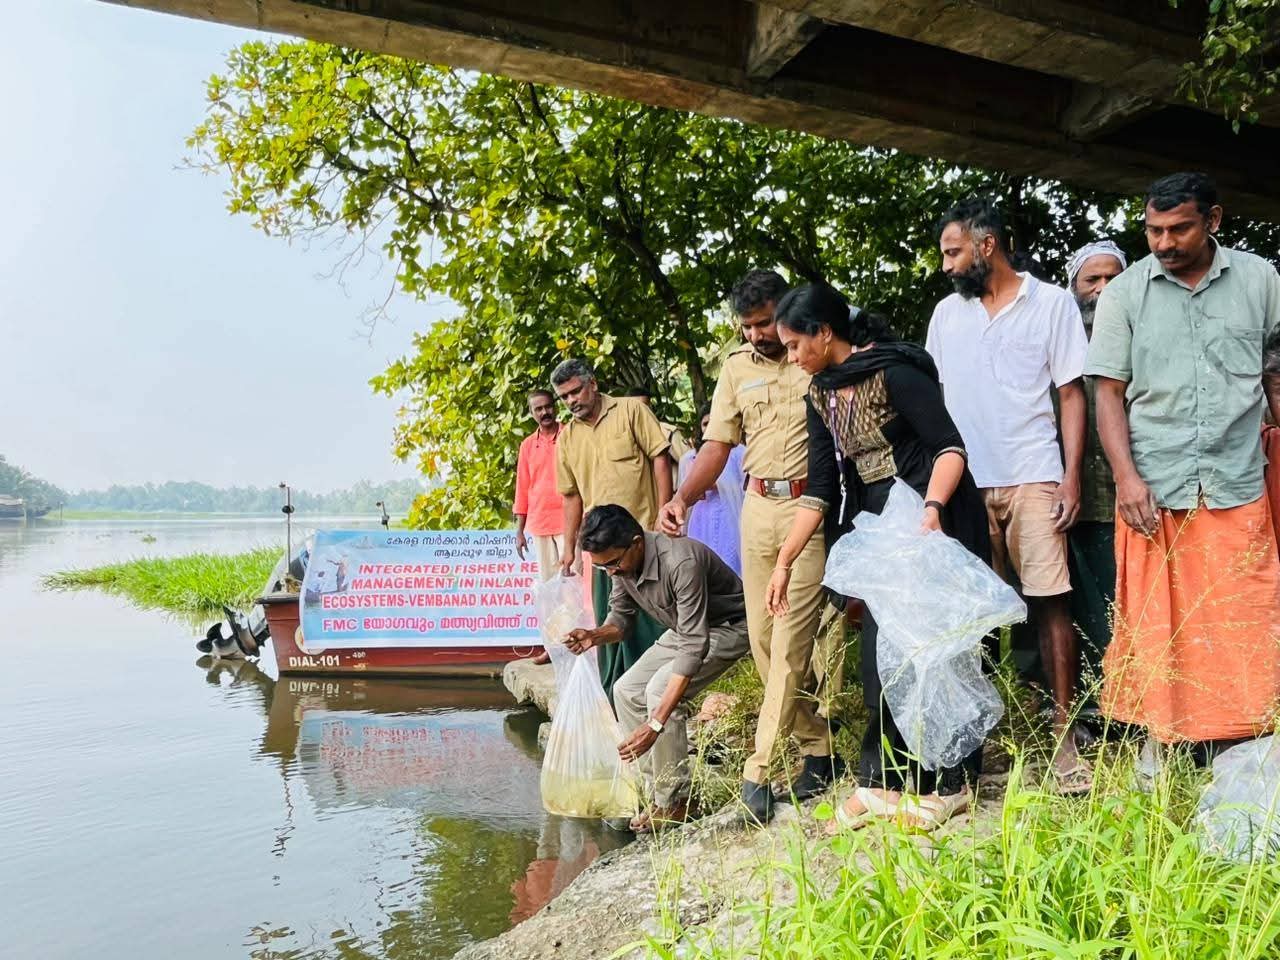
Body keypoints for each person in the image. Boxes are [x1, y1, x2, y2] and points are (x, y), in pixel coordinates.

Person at [764, 284, 992, 830]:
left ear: (825, 332)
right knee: (882, 654)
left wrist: (932, 511)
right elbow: (820, 489)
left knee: (936, 651)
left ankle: (953, 784)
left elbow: (949, 447)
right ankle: (883, 782)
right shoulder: (820, 394)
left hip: (933, 514)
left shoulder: (894, 372)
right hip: (879, 525)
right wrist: (784, 560)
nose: (792, 359)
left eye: (796, 346)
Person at [1086, 172, 1280, 763]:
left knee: (1245, 612)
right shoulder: (1124, 294)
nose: (1163, 242)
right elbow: (1107, 393)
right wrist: (1125, 478)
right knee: (1158, 624)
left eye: (1179, 229)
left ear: (1214, 221)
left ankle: (1248, 741)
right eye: (1153, 230)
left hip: (1238, 479)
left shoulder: (1261, 279)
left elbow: (1274, 371)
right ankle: (1166, 745)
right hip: (1154, 489)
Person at [659, 269, 837, 824]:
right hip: (757, 510)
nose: (757, 335)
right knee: (762, 643)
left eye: (764, 323)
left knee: (787, 644)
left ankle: (756, 772)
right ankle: (820, 749)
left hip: (810, 510)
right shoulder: (736, 368)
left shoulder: (817, 356)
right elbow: (717, 444)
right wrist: (682, 499)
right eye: (748, 326)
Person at [926, 197, 1091, 793]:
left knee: (1051, 602)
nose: (946, 265)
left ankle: (1064, 739)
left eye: (953, 251)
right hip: (968, 482)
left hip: (1034, 473)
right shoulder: (947, 315)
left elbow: (1072, 394)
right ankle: (980, 743)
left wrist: (1071, 476)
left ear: (986, 245)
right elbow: (938, 405)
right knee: (971, 616)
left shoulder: (1051, 305)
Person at [565, 504, 750, 832]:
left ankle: (677, 800)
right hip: (686, 629)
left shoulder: (681, 562)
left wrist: (655, 724)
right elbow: (620, 621)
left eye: (612, 564)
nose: (610, 573)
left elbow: (695, 646)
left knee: (658, 693)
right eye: (603, 567)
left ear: (637, 543)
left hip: (731, 628)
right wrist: (594, 635)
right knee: (625, 690)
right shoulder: (623, 565)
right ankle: (657, 794)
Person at [553, 358, 673, 699]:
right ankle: (614, 692)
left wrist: (664, 514)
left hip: (643, 541)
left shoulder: (632, 411)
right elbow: (571, 496)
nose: (572, 400)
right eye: (565, 397)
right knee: (610, 620)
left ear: (592, 383)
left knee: (653, 619)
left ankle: (664, 689)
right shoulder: (567, 439)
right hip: (602, 549)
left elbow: (660, 459)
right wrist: (569, 549)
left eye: (576, 391)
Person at [1064, 240, 1127, 681]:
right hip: (1079, 499)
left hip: (1136, 496)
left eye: (1113, 279)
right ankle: (1097, 707)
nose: (1103, 289)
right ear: (1074, 288)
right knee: (1086, 605)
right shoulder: (1061, 345)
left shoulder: (1142, 339)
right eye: (1093, 279)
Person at [678, 404, 746, 575]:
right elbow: (685, 491)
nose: (709, 428)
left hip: (729, 515)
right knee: (700, 562)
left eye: (712, 422)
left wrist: (712, 482)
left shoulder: (739, 452)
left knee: (730, 561)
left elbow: (744, 487)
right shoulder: (690, 457)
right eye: (705, 424)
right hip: (701, 517)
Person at [514, 389, 572, 582]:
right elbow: (522, 489)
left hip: (570, 521)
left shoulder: (570, 436)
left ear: (555, 407)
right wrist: (519, 532)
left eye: (548, 406)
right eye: (538, 409)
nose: (544, 412)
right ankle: (552, 615)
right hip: (540, 522)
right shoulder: (527, 445)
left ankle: (577, 615)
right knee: (548, 583)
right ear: (532, 413)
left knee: (573, 578)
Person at [628, 386, 691, 492]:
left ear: (650, 407)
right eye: (635, 408)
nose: (640, 411)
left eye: (644, 407)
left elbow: (691, 463)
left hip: (672, 500)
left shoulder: (668, 433)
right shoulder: (621, 437)